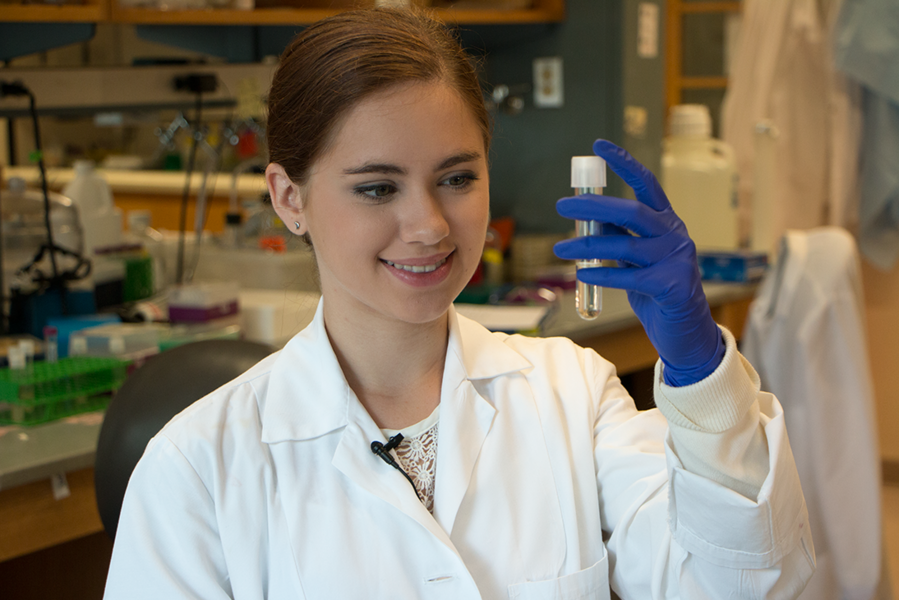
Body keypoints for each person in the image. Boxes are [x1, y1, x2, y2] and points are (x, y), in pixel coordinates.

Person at [104, 7, 815, 599]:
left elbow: (739, 586)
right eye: (377, 188)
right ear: (289, 198)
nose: (429, 226)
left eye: (455, 178)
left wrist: (700, 378)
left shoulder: (572, 395)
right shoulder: (196, 468)